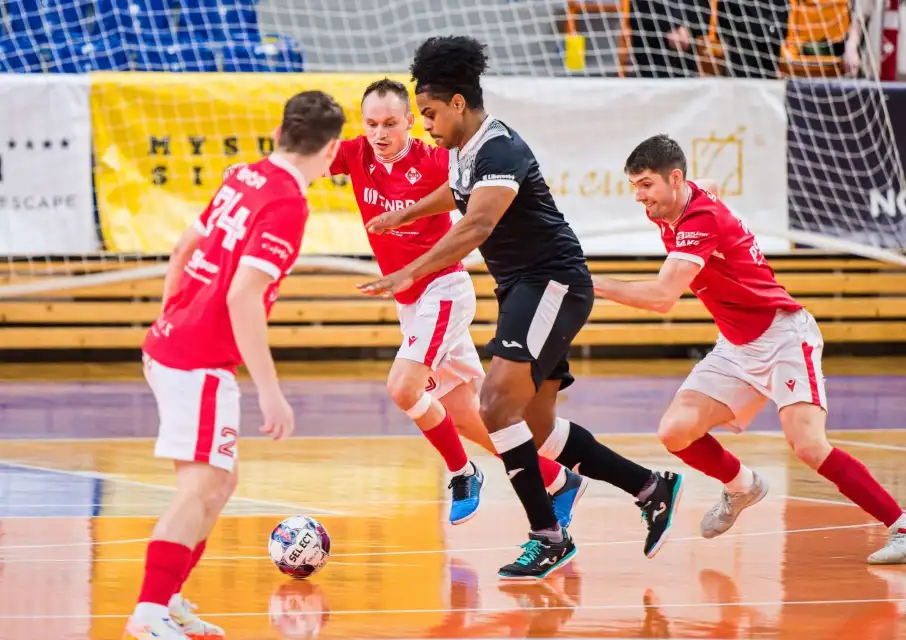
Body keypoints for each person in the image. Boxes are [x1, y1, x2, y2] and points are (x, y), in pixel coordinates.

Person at [358, 36, 684, 580]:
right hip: (523, 288)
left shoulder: (499, 147)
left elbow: (478, 222)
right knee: (537, 428)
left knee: (494, 405)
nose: (428, 125)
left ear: (458, 103)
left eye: (431, 113)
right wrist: (404, 215)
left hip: (550, 281)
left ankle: (547, 535)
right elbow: (458, 192)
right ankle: (651, 487)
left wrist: (411, 270)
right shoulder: (465, 152)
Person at [594, 133, 906, 565]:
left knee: (807, 445)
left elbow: (662, 297)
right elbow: (710, 184)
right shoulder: (680, 200)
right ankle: (742, 486)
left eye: (645, 184)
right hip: (735, 344)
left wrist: (589, 282)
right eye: (634, 186)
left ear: (674, 179)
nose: (639, 197)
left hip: (783, 336)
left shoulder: (699, 221)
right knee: (675, 431)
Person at [124, 91, 346, 640]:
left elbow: (182, 250)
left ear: (278, 134)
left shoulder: (242, 174)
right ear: (331, 150)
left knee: (221, 482)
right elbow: (243, 296)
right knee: (201, 487)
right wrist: (271, 392)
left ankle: (169, 599)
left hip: (177, 342)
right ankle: (148, 613)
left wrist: (168, 320)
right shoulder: (288, 204)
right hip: (197, 357)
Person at [323, 78, 588, 527]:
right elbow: (302, 162)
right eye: (372, 124)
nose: (381, 133)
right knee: (470, 419)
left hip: (442, 289)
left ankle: (462, 472)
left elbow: (478, 200)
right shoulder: (356, 155)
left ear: (410, 121)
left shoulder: (437, 160)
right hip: (410, 301)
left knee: (403, 388)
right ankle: (559, 481)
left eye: (391, 122)